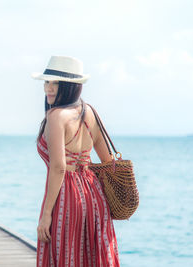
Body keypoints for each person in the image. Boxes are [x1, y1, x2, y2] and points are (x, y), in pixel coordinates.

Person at [32, 56, 120, 267]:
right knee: (91, 257)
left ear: (70, 86)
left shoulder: (56, 116)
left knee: (65, 256)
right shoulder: (89, 112)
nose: (48, 89)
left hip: (66, 197)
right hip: (94, 195)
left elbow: (59, 168)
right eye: (47, 82)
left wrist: (46, 215)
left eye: (55, 83)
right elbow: (107, 161)